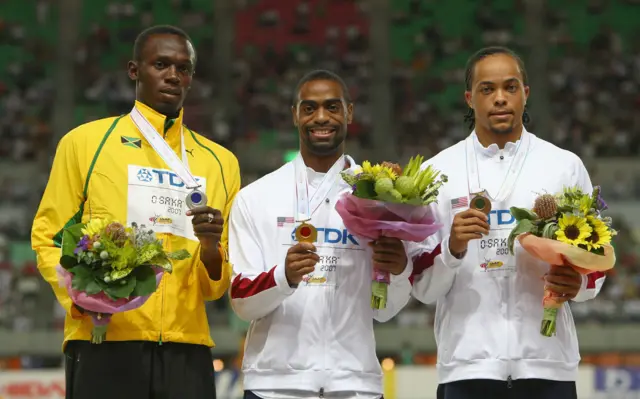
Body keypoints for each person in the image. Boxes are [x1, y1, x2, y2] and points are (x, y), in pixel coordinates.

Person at [31, 25, 241, 399]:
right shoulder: (85, 143)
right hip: (104, 340)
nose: (173, 75)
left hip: (187, 347)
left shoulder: (220, 163)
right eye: (161, 64)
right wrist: (80, 300)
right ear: (134, 70)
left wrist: (211, 250)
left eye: (183, 67)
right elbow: (49, 235)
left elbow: (215, 285)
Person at [410, 46, 606, 399]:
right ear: (470, 98)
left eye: (510, 87)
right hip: (467, 366)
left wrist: (578, 284)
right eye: (487, 89)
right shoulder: (438, 172)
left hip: (547, 364)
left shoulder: (563, 166)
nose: (499, 98)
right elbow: (423, 287)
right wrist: (453, 248)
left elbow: (596, 262)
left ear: (525, 94)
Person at [227, 70, 418, 399]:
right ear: (294, 115)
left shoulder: (378, 196)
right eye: (309, 108)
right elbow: (241, 302)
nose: (320, 117)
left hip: (354, 384)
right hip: (275, 386)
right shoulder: (256, 197)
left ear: (349, 113)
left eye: (332, 107)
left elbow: (384, 309)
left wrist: (399, 271)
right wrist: (283, 276)